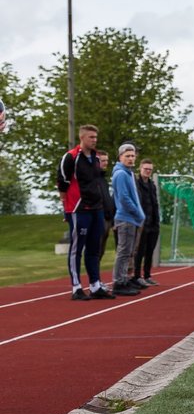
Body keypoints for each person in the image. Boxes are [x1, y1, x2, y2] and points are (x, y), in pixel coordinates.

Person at [57, 125, 112, 300]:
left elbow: (97, 182)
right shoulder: (71, 157)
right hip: (79, 209)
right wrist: (67, 210)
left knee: (94, 248)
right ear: (82, 138)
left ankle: (95, 286)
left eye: (96, 137)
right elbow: (62, 183)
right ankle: (76, 287)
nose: (94, 140)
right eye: (91, 137)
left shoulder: (96, 157)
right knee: (76, 249)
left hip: (97, 208)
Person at [109, 143, 146, 296]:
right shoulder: (121, 174)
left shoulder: (128, 173)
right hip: (126, 218)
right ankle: (119, 281)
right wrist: (138, 213)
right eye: (127, 156)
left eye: (132, 156)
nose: (131, 159)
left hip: (132, 218)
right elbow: (124, 198)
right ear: (120, 157)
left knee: (128, 252)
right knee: (124, 252)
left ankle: (124, 278)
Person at [132, 159, 161, 285]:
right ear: (140, 168)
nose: (148, 171)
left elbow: (155, 203)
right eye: (146, 169)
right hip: (141, 222)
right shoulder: (136, 184)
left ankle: (147, 275)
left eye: (150, 169)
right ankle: (137, 275)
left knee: (150, 250)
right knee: (140, 251)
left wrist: (157, 221)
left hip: (153, 222)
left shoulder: (152, 185)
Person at [96, 149, 116, 259]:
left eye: (106, 160)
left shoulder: (103, 179)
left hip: (107, 218)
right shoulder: (94, 179)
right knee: (97, 249)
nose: (106, 163)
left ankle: (96, 275)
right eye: (103, 160)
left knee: (101, 250)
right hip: (100, 218)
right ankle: (93, 275)